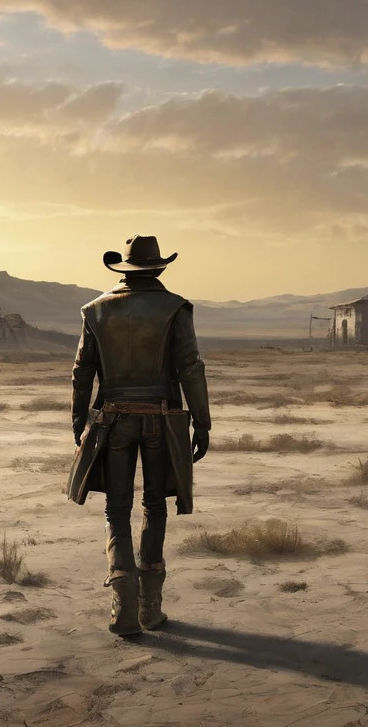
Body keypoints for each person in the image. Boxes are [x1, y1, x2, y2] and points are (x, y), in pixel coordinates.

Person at [67, 236, 211, 637]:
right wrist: (203, 421)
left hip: (112, 420)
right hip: (162, 419)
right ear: (159, 268)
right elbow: (190, 367)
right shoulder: (175, 308)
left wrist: (79, 421)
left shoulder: (95, 310)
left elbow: (82, 372)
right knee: (154, 506)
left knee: (116, 509)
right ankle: (150, 609)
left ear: (124, 270)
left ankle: (123, 608)